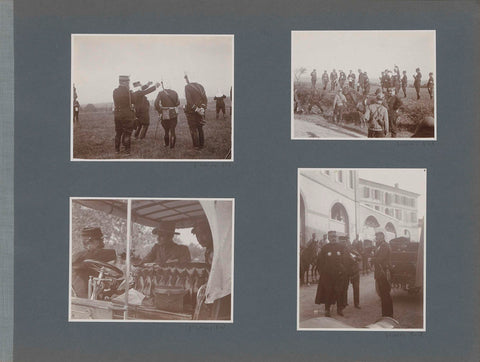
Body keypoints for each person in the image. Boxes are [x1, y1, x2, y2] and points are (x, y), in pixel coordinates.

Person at [72, 227, 117, 298]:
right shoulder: (79, 257)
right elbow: (94, 254)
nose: (103, 244)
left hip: (93, 299)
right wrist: (117, 253)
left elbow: (100, 288)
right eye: (99, 240)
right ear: (88, 241)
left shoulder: (93, 262)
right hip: (81, 303)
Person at [315, 231, 348, 317]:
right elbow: (320, 262)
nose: (333, 238)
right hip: (328, 275)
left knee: (339, 292)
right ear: (329, 238)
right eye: (331, 237)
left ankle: (339, 309)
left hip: (339, 274)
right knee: (328, 292)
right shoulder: (325, 248)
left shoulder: (341, 247)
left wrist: (343, 270)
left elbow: (345, 260)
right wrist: (322, 272)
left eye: (334, 236)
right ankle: (327, 310)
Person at [372, 229, 393, 317]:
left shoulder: (384, 246)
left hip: (383, 273)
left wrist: (372, 259)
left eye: (378, 235)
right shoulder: (380, 246)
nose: (376, 237)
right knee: (383, 294)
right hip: (380, 273)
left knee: (385, 294)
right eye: (376, 235)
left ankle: (387, 314)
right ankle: (386, 314)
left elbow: (380, 259)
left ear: (382, 236)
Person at [113, 75, 136, 155]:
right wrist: (131, 93)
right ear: (124, 82)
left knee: (118, 133)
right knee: (127, 133)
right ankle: (127, 151)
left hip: (117, 114)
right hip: (126, 114)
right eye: (128, 82)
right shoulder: (128, 92)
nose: (128, 83)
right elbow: (134, 101)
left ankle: (117, 150)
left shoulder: (115, 91)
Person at [184, 75, 208, 150]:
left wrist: (196, 109)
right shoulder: (201, 86)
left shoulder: (187, 87)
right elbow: (205, 99)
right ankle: (202, 144)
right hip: (201, 110)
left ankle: (196, 146)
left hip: (191, 111)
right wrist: (202, 109)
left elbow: (189, 100)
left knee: (193, 128)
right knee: (200, 128)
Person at [154, 84, 180, 148]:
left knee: (166, 130)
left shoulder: (161, 93)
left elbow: (156, 103)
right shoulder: (175, 92)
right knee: (172, 129)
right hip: (173, 113)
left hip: (164, 113)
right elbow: (178, 103)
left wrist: (160, 110)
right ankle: (172, 146)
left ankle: (166, 144)